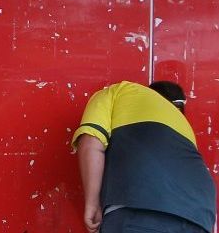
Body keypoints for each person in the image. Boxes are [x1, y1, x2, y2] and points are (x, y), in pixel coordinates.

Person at [73, 80, 216, 233]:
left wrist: (92, 204)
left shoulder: (117, 91)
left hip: (141, 207)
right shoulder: (183, 124)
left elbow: (91, 143)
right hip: (201, 216)